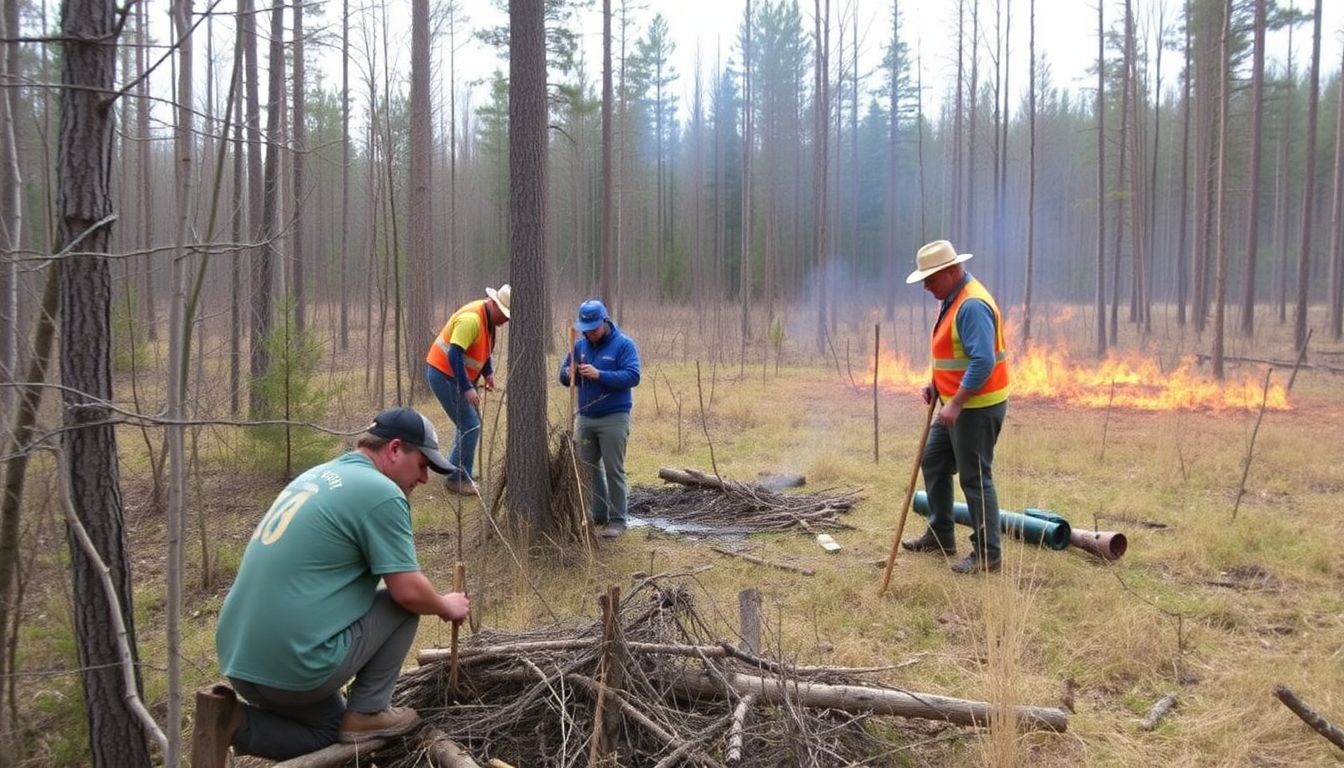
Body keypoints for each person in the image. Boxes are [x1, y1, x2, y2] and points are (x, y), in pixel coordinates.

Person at [207, 407, 471, 761]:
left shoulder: (317, 475)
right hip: (296, 666)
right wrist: (445, 605)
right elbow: (407, 591)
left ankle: (234, 721)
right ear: (394, 449)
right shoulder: (381, 491)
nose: (424, 478)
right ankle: (369, 712)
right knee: (405, 606)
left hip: (239, 661)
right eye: (422, 464)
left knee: (331, 733)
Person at [900, 240, 1011, 574]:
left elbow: (983, 361)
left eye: (930, 279)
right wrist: (937, 384)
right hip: (955, 403)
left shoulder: (972, 305)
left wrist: (957, 403)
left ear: (951, 271)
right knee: (933, 460)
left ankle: (988, 555)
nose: (925, 286)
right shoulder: (951, 298)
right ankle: (941, 534)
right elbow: (953, 352)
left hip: (976, 408)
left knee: (975, 479)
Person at [558, 299, 641, 538]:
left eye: (594, 328)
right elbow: (563, 377)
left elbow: (633, 376)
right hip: (585, 418)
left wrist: (599, 374)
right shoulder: (579, 346)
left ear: (605, 322)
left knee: (614, 469)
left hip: (614, 417)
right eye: (586, 329)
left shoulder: (623, 345)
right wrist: (569, 373)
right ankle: (598, 514)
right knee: (588, 468)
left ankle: (617, 520)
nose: (590, 334)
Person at [425, 284, 511, 495]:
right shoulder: (471, 319)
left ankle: (461, 468)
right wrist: (466, 388)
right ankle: (456, 477)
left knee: (467, 424)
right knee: (470, 425)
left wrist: (487, 372)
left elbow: (483, 348)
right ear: (494, 305)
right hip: (444, 375)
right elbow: (454, 354)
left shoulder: (488, 319)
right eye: (505, 314)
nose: (506, 320)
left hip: (456, 376)